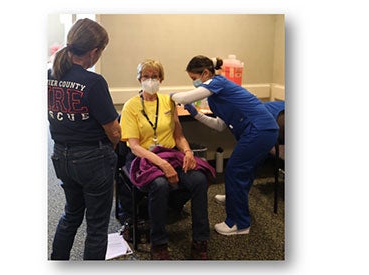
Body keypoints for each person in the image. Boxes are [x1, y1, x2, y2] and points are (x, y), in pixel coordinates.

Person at [171, 55, 279, 236]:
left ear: (205, 73)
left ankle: (239, 224)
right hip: (263, 131)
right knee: (244, 171)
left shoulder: (217, 82)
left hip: (260, 130)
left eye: (194, 79)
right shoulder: (216, 95)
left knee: (235, 170)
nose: (194, 83)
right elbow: (220, 125)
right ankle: (233, 197)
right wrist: (196, 114)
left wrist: (170, 96)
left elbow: (186, 96)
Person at [119, 59, 215, 260]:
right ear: (139, 79)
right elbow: (134, 146)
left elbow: (178, 136)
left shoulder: (168, 102)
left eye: (154, 76)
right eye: (146, 76)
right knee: (160, 184)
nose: (150, 80)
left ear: (161, 79)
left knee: (198, 180)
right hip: (143, 158)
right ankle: (159, 244)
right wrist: (161, 164)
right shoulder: (131, 106)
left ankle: (200, 240)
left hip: (170, 154)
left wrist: (188, 152)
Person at [48, 18, 121, 260]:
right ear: (94, 51)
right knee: (97, 226)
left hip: (61, 156)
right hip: (92, 159)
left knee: (71, 214)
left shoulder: (51, 75)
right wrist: (108, 151)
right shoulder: (93, 82)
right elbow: (114, 131)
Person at [214, 100, 285, 204]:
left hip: (268, 129)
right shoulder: (249, 112)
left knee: (239, 166)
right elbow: (220, 125)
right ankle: (234, 197)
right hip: (266, 129)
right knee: (245, 166)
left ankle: (235, 199)